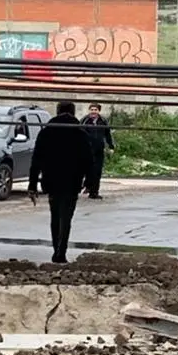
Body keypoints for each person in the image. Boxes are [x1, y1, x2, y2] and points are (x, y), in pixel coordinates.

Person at [28, 100, 94, 264]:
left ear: (57, 112)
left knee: (55, 215)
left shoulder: (47, 132)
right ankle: (60, 252)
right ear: (73, 113)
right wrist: (89, 181)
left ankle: (56, 250)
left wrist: (32, 184)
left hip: (51, 180)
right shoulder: (80, 133)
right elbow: (89, 160)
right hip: (72, 180)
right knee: (66, 217)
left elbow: (36, 159)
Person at [81, 103, 115, 200]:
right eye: (91, 109)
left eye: (95, 110)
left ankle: (94, 192)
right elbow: (79, 133)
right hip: (87, 149)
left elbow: (108, 134)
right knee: (87, 170)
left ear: (98, 111)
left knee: (97, 171)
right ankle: (87, 184)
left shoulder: (103, 121)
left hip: (99, 149)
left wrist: (111, 146)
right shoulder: (85, 121)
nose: (93, 111)